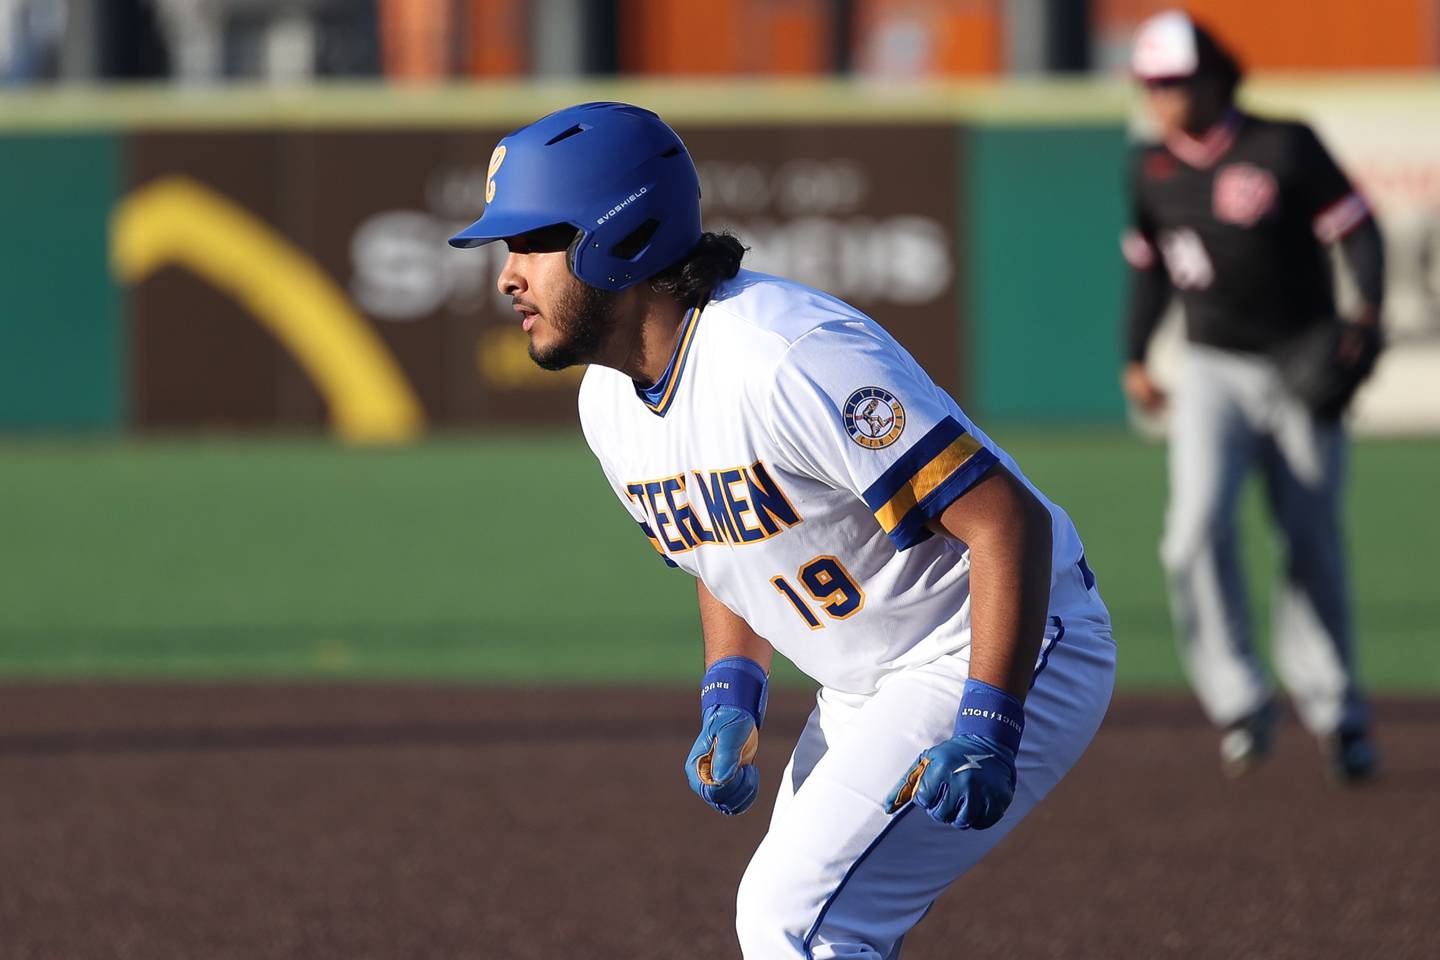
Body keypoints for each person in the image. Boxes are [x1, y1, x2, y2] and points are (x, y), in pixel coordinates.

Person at [449, 101, 1116, 958]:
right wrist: (731, 692)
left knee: (793, 921)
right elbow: (723, 552)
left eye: (533, 241)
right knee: (797, 927)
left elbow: (1007, 521)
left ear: (618, 236)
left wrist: (987, 721)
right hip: (868, 679)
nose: (508, 276)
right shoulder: (607, 403)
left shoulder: (786, 356)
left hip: (993, 646)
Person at [1122, 11, 1385, 783]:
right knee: (1192, 533)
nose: (1160, 96)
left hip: (1300, 360)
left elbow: (1358, 229)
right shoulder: (1149, 168)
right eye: (1149, 83)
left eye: (1172, 81)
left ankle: (1337, 712)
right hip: (1212, 368)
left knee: (1309, 540)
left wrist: (1366, 311)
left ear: (1213, 78)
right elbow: (1148, 267)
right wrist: (1134, 354)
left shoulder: (1283, 143)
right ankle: (1239, 700)